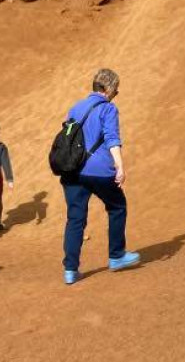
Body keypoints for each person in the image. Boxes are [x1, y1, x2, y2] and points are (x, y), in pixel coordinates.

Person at [60, 68, 139, 285]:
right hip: (98, 169)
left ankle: (70, 270)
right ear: (108, 89)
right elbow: (112, 138)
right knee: (117, 207)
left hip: (72, 171)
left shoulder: (75, 107)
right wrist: (120, 166)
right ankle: (116, 255)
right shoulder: (108, 108)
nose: (116, 94)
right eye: (116, 90)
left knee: (75, 219)